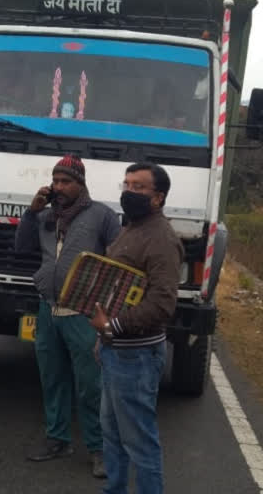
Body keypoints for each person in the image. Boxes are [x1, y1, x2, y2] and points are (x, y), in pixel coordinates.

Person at [15, 154, 121, 478]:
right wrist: (31, 213)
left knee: (90, 386)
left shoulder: (102, 216)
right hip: (48, 310)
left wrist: (107, 309)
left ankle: (99, 449)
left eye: (66, 182)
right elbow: (21, 247)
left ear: (80, 184)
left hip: (83, 314)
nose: (59, 187)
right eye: (56, 181)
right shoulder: (46, 217)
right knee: (53, 379)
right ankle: (58, 439)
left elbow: (118, 260)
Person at [89, 162, 183, 494]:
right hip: (117, 349)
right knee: (112, 432)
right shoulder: (131, 227)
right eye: (127, 184)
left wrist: (112, 325)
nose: (129, 191)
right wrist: (105, 336)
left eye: (139, 187)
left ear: (158, 197)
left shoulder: (161, 239)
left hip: (137, 357)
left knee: (139, 440)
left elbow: (162, 304)